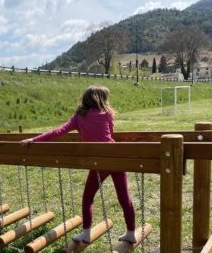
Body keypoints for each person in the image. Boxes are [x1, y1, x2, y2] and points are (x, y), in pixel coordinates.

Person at [21, 85, 137, 244]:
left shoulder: (79, 116)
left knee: (88, 197)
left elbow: (58, 131)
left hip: (99, 161)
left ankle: (86, 233)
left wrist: (34, 140)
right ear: (101, 100)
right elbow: (110, 132)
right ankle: (131, 232)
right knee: (124, 198)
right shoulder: (107, 114)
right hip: (116, 157)